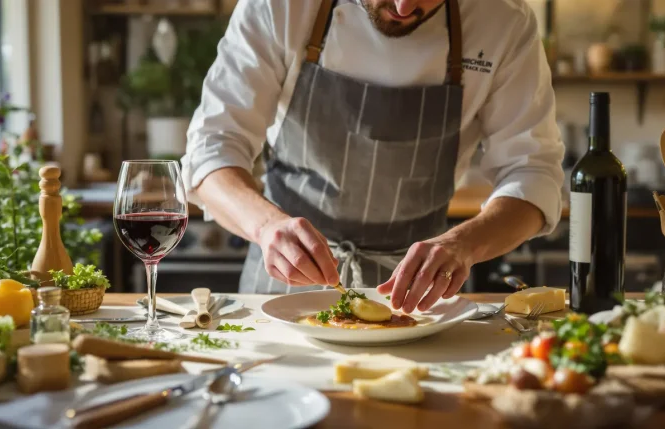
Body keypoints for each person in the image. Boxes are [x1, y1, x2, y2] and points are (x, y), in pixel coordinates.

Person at [181, 0, 565, 313]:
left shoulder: (503, 22)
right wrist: (266, 227)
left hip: (417, 302)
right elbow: (211, 149)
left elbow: (532, 172)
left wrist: (462, 244)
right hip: (282, 289)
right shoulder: (280, 6)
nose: (403, 6)